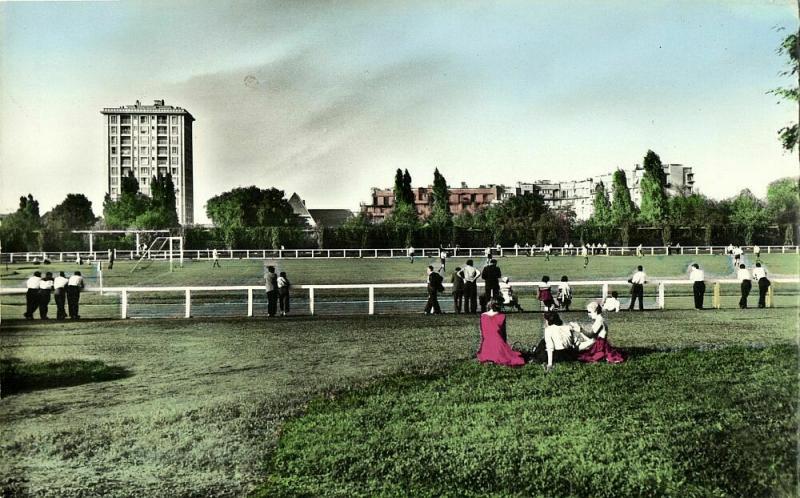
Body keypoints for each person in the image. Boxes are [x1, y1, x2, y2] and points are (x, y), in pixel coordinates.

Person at [476, 298, 525, 367]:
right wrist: (505, 346)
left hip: (486, 344)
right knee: (511, 357)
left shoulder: (483, 316)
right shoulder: (502, 316)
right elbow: (503, 334)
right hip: (498, 344)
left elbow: (483, 333)